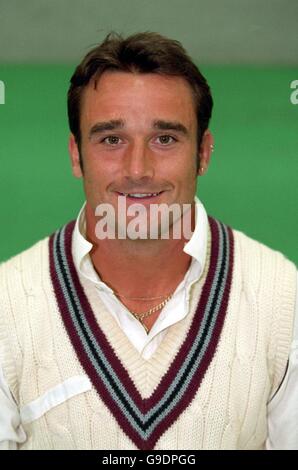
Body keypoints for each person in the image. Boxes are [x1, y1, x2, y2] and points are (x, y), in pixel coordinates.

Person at [0, 32, 297, 451]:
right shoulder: (8, 304)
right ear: (75, 155)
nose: (138, 168)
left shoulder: (283, 297)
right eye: (111, 139)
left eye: (165, 139)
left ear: (204, 153)